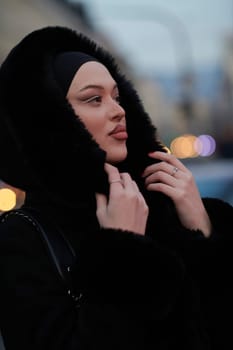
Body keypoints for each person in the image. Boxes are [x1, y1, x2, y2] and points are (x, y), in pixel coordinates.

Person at [0, 26, 232, 350]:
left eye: (117, 96)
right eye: (94, 99)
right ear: (52, 119)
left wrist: (202, 229)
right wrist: (123, 253)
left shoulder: (162, 206)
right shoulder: (22, 238)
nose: (118, 110)